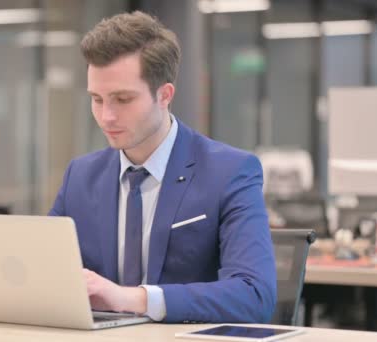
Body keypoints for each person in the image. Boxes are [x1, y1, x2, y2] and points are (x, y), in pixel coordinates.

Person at [49, 11, 276, 324]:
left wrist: (133, 298)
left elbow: (254, 295)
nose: (107, 116)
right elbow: (44, 274)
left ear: (164, 95)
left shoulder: (231, 172)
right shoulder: (81, 176)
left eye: (122, 99)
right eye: (97, 99)